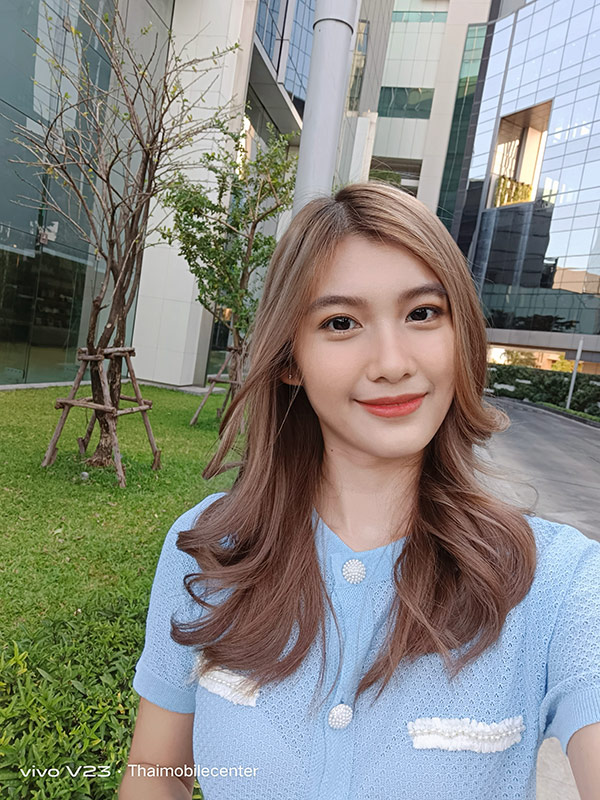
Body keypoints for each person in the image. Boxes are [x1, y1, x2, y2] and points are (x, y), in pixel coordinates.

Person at [119, 182, 600, 800]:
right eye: (341, 323)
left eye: (422, 313)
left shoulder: (555, 580)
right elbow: (155, 774)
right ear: (290, 358)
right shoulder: (211, 552)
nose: (392, 363)